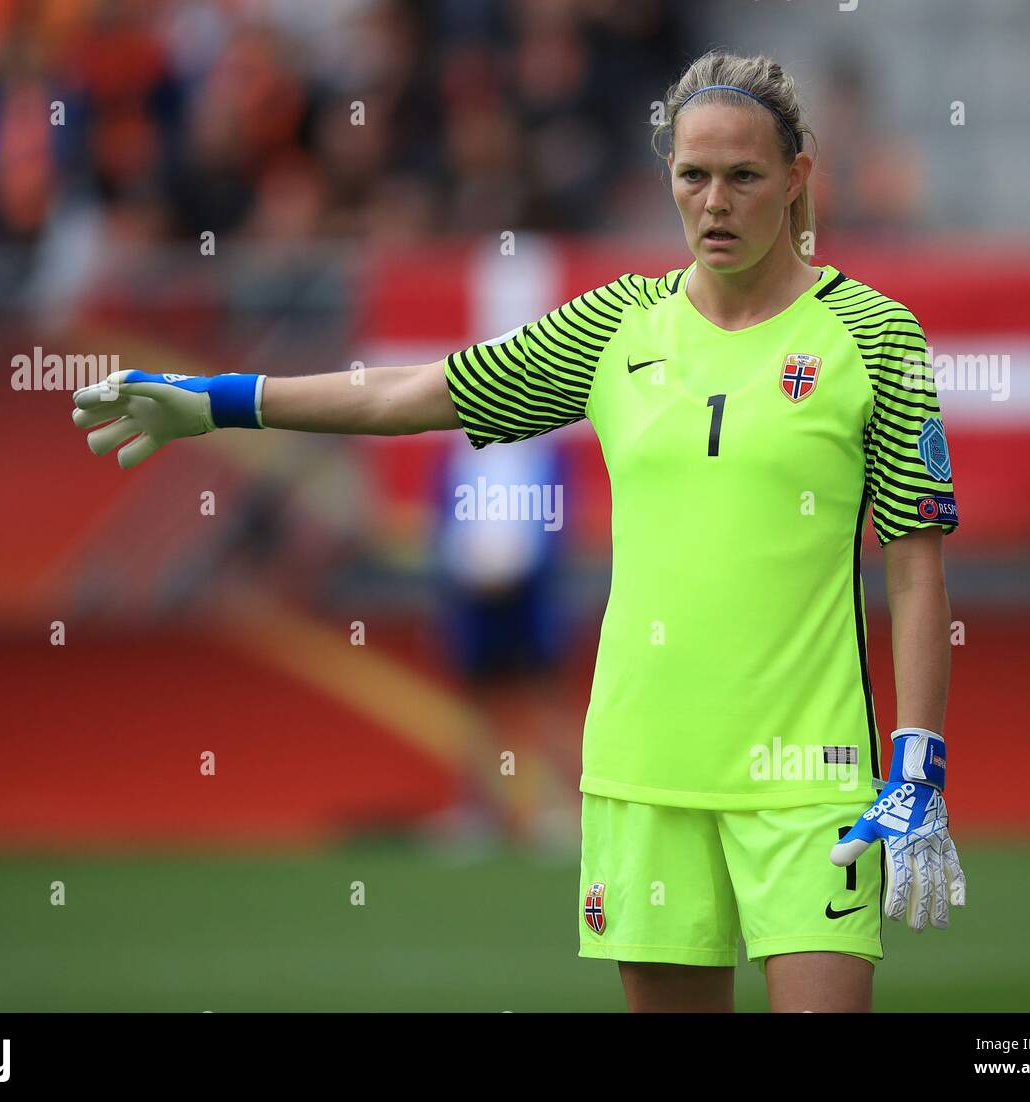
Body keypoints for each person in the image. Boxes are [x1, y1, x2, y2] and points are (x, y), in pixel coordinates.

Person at [71, 48, 966, 1014]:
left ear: (797, 179)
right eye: (692, 175)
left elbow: (915, 573)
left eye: (744, 176)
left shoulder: (878, 336)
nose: (715, 201)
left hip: (813, 781)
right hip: (643, 773)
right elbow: (409, 394)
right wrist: (214, 404)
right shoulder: (618, 326)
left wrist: (917, 760)